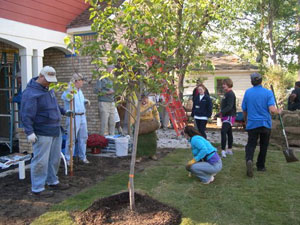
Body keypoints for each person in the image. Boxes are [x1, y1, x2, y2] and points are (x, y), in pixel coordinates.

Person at [21, 66, 69, 197]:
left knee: (54, 159)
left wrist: (64, 111)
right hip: (42, 131)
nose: (49, 83)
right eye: (47, 80)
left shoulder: (48, 90)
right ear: (40, 76)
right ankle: (37, 188)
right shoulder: (30, 93)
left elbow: (53, 106)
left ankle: (52, 181)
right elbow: (26, 114)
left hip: (55, 129)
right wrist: (29, 132)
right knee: (41, 161)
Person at [242, 72, 282, 178]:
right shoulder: (268, 93)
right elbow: (272, 110)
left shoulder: (248, 93)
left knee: (251, 144)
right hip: (265, 124)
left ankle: (249, 160)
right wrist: (279, 111)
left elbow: (244, 110)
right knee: (263, 146)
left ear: (252, 82)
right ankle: (260, 166)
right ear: (261, 81)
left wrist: (246, 121)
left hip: (252, 123)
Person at [61, 73, 90, 165]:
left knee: (83, 137)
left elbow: (79, 101)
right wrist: (70, 91)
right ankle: (69, 158)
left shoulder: (80, 91)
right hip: (73, 116)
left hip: (82, 116)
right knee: (71, 138)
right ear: (76, 81)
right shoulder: (69, 90)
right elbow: (66, 98)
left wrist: (85, 101)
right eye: (81, 80)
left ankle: (82, 156)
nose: (83, 83)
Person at [131, 94, 160, 162]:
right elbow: (133, 115)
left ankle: (152, 154)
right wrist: (132, 124)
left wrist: (158, 121)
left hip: (150, 124)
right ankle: (138, 156)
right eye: (142, 98)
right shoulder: (137, 105)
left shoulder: (152, 104)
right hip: (141, 124)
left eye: (145, 98)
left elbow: (156, 113)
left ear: (147, 98)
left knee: (152, 140)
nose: (144, 100)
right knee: (139, 141)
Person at [95, 65, 116, 136]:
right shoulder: (102, 78)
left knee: (113, 122)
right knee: (104, 122)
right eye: (112, 69)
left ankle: (112, 138)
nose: (113, 70)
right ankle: (102, 140)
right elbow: (96, 91)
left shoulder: (113, 79)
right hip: (104, 102)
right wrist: (107, 92)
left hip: (112, 102)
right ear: (108, 69)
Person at [219, 78, 236, 158]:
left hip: (229, 116)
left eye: (224, 84)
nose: (223, 86)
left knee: (223, 132)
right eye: (223, 84)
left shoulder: (231, 94)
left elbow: (230, 106)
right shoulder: (226, 94)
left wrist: (221, 112)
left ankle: (223, 150)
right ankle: (229, 149)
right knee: (229, 133)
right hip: (226, 116)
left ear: (229, 84)